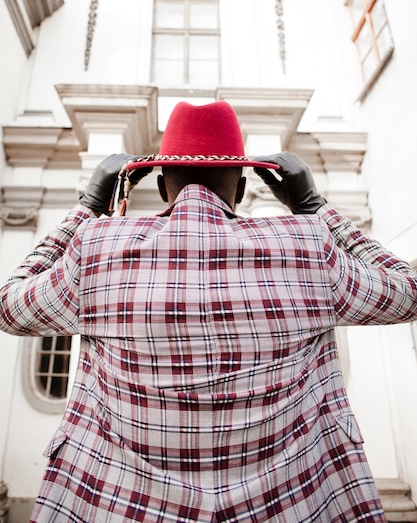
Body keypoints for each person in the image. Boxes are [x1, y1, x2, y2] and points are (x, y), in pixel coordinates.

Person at [0, 100, 416, 523]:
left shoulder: (97, 247)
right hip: (287, 508)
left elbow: (8, 306)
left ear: (162, 186)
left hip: (123, 508)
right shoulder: (308, 244)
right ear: (239, 189)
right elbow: (409, 293)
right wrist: (315, 207)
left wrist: (87, 206)